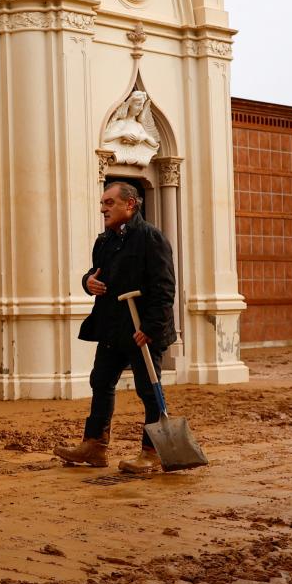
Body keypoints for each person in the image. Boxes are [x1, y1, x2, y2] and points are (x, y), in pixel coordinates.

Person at [54, 181, 177, 474]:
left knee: (149, 390)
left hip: (141, 330)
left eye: (109, 203)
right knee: (101, 381)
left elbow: (165, 287)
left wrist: (151, 327)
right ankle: (95, 445)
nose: (102, 208)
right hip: (112, 326)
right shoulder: (105, 241)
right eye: (102, 203)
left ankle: (152, 451)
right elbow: (95, 275)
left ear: (130, 204)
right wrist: (88, 282)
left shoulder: (151, 238)